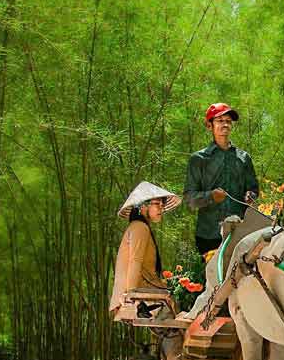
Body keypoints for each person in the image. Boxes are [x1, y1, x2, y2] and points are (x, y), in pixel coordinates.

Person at [184, 102, 259, 258]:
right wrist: (211, 196)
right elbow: (190, 199)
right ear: (209, 125)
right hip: (209, 235)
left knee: (241, 280)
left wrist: (250, 195)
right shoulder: (199, 159)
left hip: (240, 233)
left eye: (228, 121)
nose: (225, 124)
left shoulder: (243, 158)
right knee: (213, 280)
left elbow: (254, 190)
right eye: (220, 120)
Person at [108, 182, 181, 319]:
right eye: (157, 204)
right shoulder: (140, 227)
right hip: (136, 291)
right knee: (182, 302)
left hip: (139, 287)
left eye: (162, 204)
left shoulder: (138, 226)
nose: (161, 208)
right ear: (142, 206)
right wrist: (130, 294)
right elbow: (135, 261)